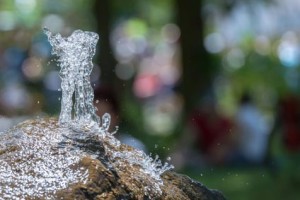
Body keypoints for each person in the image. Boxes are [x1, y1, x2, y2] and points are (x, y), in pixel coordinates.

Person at [234, 92, 270, 165]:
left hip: (248, 155)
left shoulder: (242, 112)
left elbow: (237, 136)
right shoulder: (256, 112)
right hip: (262, 155)